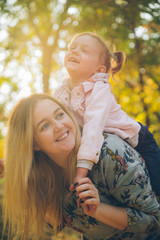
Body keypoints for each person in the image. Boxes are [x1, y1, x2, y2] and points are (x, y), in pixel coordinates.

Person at [3, 93, 160, 240]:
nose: (59, 126)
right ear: (34, 144)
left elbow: (154, 221)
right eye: (44, 126)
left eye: (59, 115)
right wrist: (17, 168)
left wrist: (98, 210)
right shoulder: (44, 176)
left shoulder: (109, 153)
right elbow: (56, 226)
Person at [54, 32, 160, 196]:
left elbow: (93, 129)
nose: (74, 51)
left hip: (140, 141)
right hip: (107, 146)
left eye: (85, 50)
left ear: (99, 69)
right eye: (72, 47)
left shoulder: (99, 88)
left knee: (156, 189)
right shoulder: (61, 91)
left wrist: (80, 173)